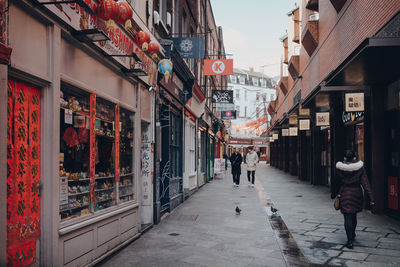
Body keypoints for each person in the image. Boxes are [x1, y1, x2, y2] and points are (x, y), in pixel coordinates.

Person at [332, 149, 375, 249]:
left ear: (344, 158)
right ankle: (353, 234)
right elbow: (365, 183)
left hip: (345, 194)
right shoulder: (360, 168)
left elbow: (336, 182)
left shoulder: (340, 168)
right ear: (354, 158)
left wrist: (334, 194)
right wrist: (371, 198)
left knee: (347, 216)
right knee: (353, 214)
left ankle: (350, 240)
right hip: (357, 193)